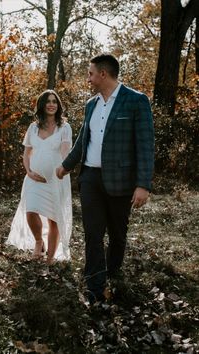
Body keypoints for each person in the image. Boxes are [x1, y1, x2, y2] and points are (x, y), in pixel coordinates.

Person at [56, 54, 154, 303]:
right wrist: (65, 166)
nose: (88, 79)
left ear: (103, 74)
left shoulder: (136, 101)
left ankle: (113, 272)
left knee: (117, 234)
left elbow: (145, 144)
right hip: (90, 178)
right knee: (93, 233)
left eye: (90, 74)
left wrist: (143, 184)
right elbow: (82, 140)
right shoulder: (91, 104)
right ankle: (95, 286)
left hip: (121, 180)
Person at [6, 90, 72, 265]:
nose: (51, 104)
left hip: (56, 180)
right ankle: (38, 241)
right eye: (48, 101)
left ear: (58, 106)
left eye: (54, 102)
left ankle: (50, 258)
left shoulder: (64, 127)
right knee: (31, 211)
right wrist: (29, 171)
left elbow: (66, 150)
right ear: (41, 105)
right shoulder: (33, 127)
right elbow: (27, 154)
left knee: (54, 218)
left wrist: (64, 167)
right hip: (34, 178)